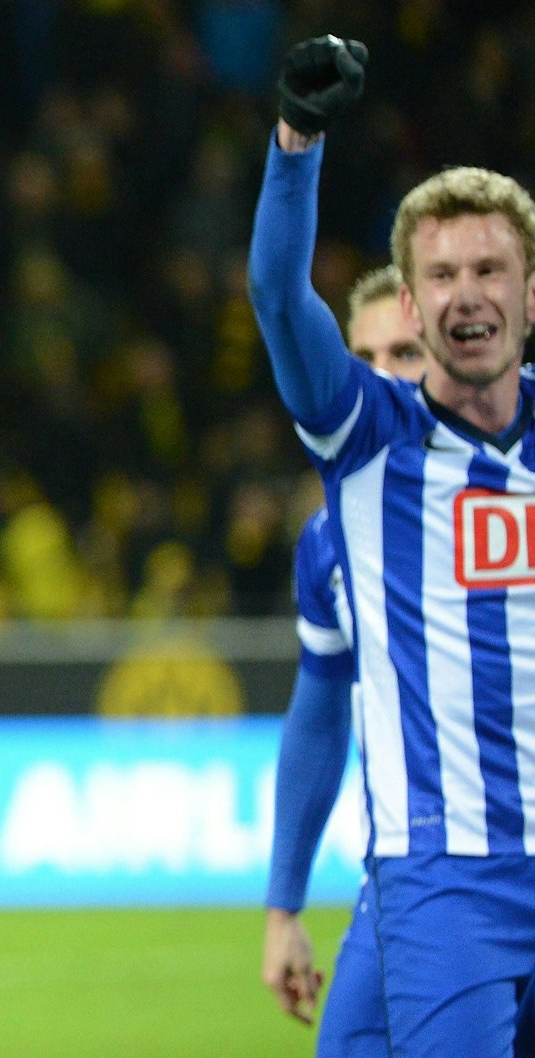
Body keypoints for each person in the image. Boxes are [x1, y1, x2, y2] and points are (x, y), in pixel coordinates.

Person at [249, 36, 535, 1058]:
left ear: (528, 293)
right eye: (443, 274)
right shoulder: (367, 442)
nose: (468, 293)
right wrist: (296, 139)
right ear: (409, 305)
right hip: (445, 874)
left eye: (490, 269)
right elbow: (279, 299)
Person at [260, 265, 426, 1057]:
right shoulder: (331, 542)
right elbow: (320, 713)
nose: (386, 379)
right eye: (368, 360)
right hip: (406, 875)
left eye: (407, 353)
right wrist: (284, 906)